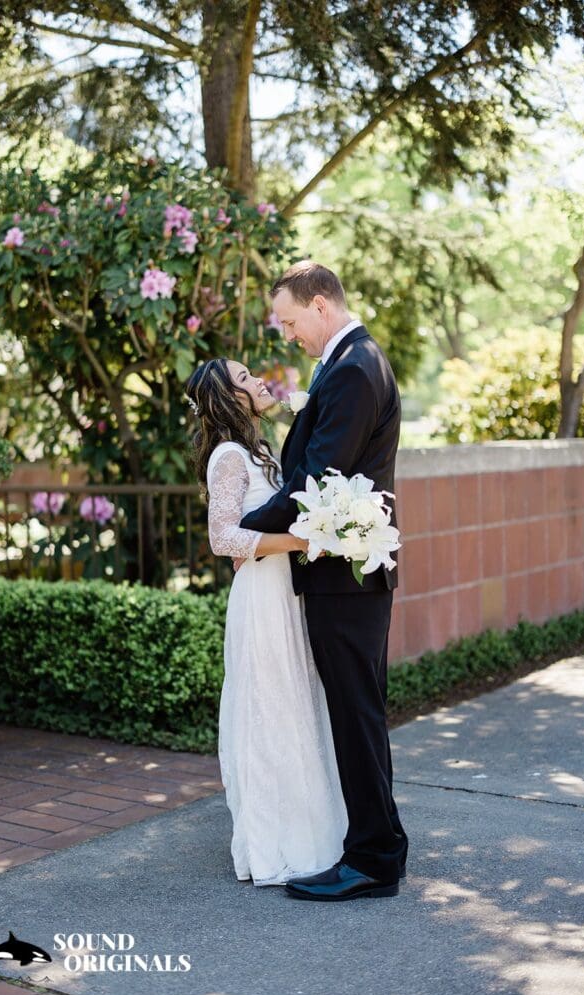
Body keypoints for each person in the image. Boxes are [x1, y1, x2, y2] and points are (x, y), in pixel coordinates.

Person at [238, 260, 408, 901]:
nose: (286, 335)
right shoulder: (349, 363)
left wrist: (244, 531)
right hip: (346, 576)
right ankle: (380, 848)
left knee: (356, 714)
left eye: (288, 321)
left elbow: (314, 481)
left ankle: (371, 860)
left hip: (346, 578)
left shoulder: (355, 368)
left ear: (319, 305)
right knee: (359, 711)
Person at [185, 357, 348, 887]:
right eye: (244, 377)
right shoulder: (228, 456)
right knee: (270, 712)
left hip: (285, 590)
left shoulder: (256, 452)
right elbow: (222, 538)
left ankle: (315, 834)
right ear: (227, 398)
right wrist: (301, 541)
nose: (257, 380)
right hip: (261, 597)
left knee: (297, 706)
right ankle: (276, 845)